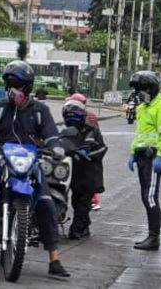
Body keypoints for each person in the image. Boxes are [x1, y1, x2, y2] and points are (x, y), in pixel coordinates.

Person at [0, 60, 70, 278]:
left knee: (46, 201)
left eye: (16, 85)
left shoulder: (40, 110)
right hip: (0, 158)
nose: (11, 90)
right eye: (9, 85)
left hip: (31, 163)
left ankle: (54, 259)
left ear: (27, 87)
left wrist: (56, 147)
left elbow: (52, 133)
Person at [127, 70, 161, 251]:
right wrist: (132, 154)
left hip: (153, 156)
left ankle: (154, 238)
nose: (139, 93)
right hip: (141, 157)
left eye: (142, 89)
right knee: (145, 196)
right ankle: (151, 236)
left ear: (151, 89)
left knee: (150, 197)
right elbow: (139, 135)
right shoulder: (142, 109)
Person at [61, 94, 106, 240]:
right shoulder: (65, 132)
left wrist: (88, 152)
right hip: (70, 170)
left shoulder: (91, 129)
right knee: (75, 200)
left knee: (82, 200)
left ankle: (78, 227)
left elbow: (102, 148)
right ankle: (84, 223)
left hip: (88, 171)